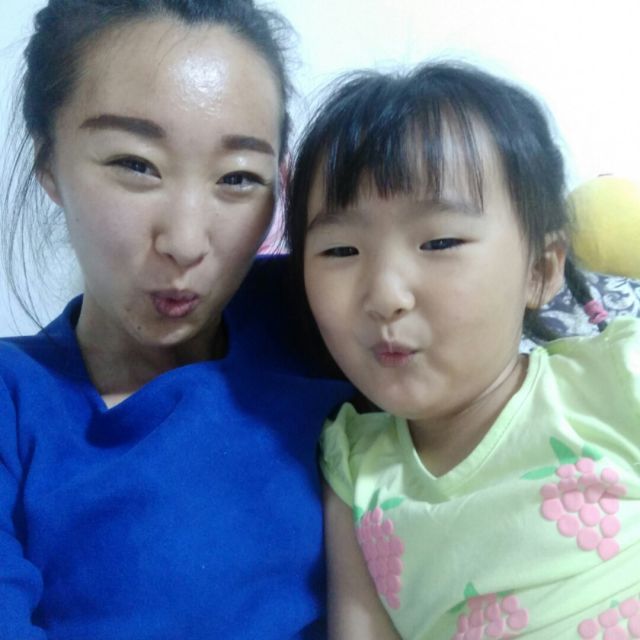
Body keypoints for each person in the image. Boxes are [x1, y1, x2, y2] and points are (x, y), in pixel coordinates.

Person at [0, 1, 354, 638]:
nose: (186, 243)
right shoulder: (14, 400)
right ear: (48, 159)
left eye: (238, 178)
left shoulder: (328, 318)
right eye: (136, 165)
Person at [284, 62, 640, 639]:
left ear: (540, 269)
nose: (385, 295)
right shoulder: (354, 470)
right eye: (341, 250)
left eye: (440, 241)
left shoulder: (617, 379)